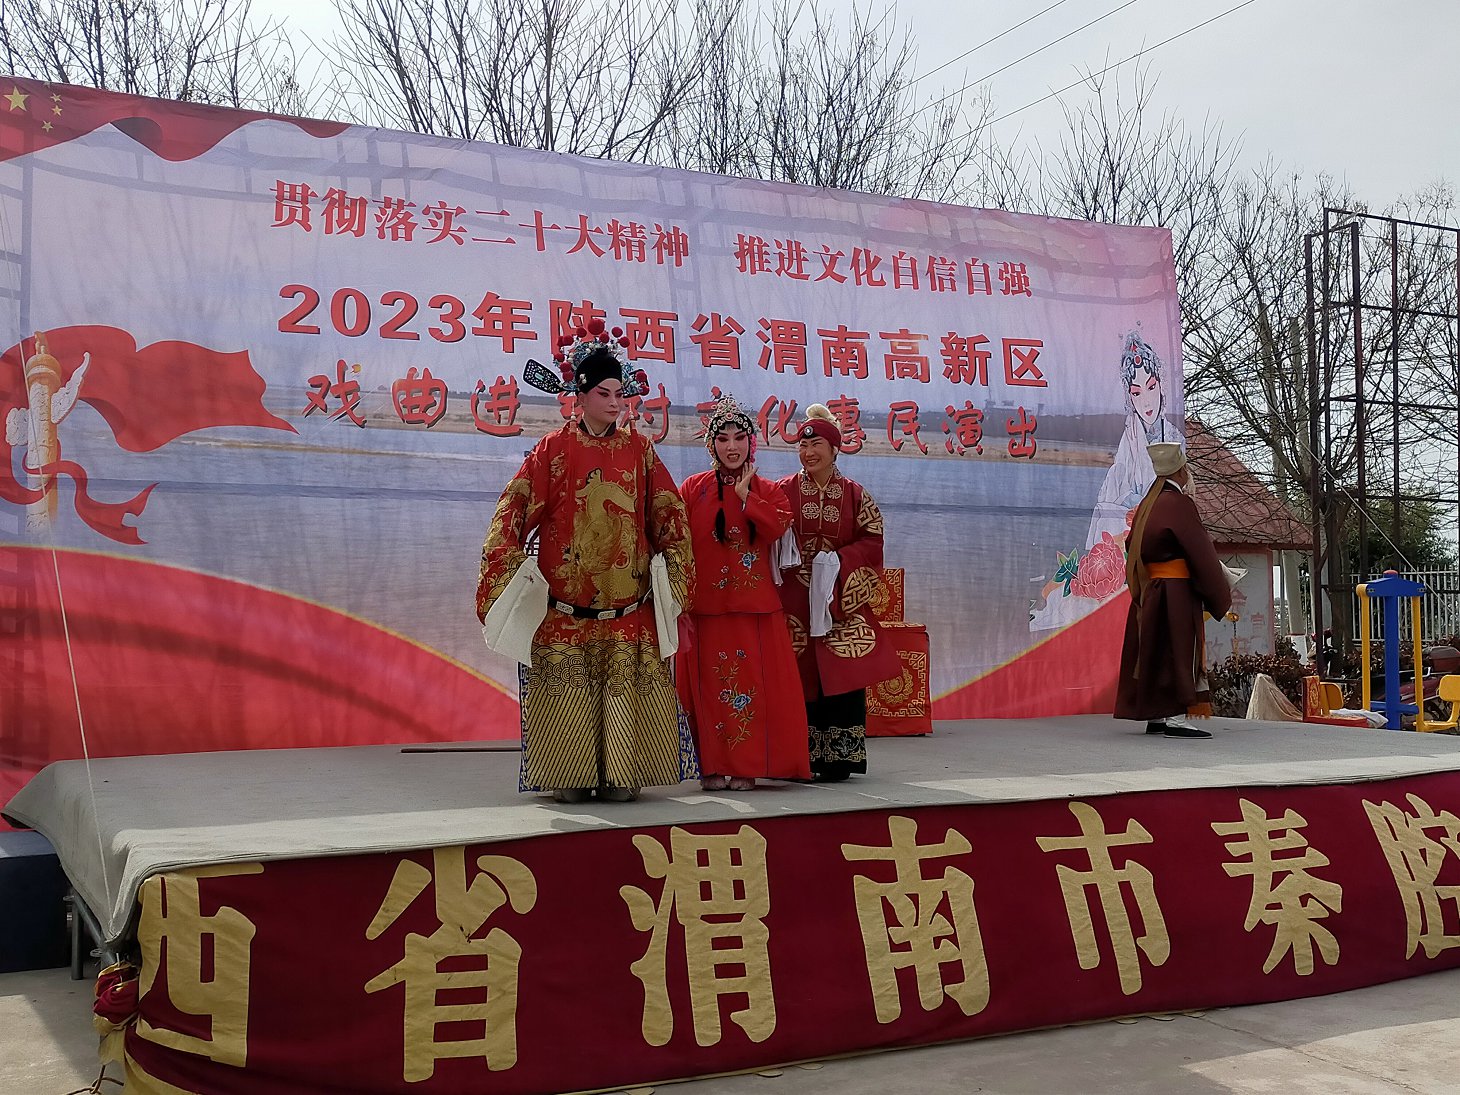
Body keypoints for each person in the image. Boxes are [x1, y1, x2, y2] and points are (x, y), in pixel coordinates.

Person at [475, 319, 697, 802]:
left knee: (623, 791)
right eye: (604, 393)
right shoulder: (553, 451)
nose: (616, 403)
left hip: (628, 614)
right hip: (565, 615)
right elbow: (512, 511)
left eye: (620, 394)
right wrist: (511, 574)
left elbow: (668, 513)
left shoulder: (639, 449)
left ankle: (622, 770)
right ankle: (568, 772)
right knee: (569, 790)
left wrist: (675, 575)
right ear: (580, 395)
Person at [675, 395, 810, 791]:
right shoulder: (693, 489)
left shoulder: (768, 490)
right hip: (705, 608)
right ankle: (711, 767)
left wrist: (747, 497)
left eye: (739, 438)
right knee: (709, 690)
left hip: (754, 611)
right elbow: (676, 541)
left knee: (751, 690)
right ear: (711, 445)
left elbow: (776, 527)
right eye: (723, 439)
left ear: (751, 443)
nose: (731, 447)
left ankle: (746, 767)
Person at [776, 403, 899, 781]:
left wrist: (839, 563)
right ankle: (795, 757)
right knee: (796, 674)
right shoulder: (782, 491)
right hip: (793, 600)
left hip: (838, 600)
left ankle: (840, 758)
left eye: (816, 445)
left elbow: (873, 540)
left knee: (842, 670)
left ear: (834, 449)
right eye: (802, 445)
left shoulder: (855, 495)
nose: (808, 452)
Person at [1115, 441, 1232, 738]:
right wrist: (1219, 591)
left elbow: (1132, 546)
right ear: (1181, 471)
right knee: (1178, 650)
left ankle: (1157, 716)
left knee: (1156, 649)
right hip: (1176, 590)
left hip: (1153, 588)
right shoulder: (1179, 504)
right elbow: (1200, 550)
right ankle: (1177, 719)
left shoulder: (1148, 503)